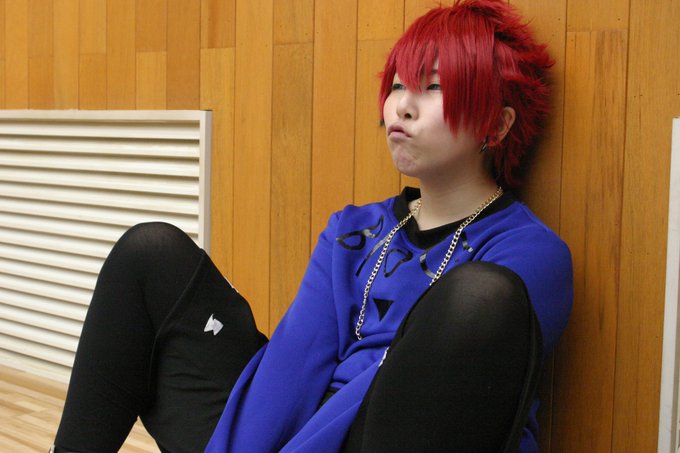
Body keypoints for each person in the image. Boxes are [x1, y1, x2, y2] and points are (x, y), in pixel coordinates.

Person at [52, 0, 572, 452]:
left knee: (480, 297)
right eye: (397, 85)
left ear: (497, 124)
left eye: (433, 87)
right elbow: (295, 365)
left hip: (389, 436)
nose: (402, 106)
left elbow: (414, 396)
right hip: (292, 428)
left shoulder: (528, 253)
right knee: (151, 253)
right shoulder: (354, 229)